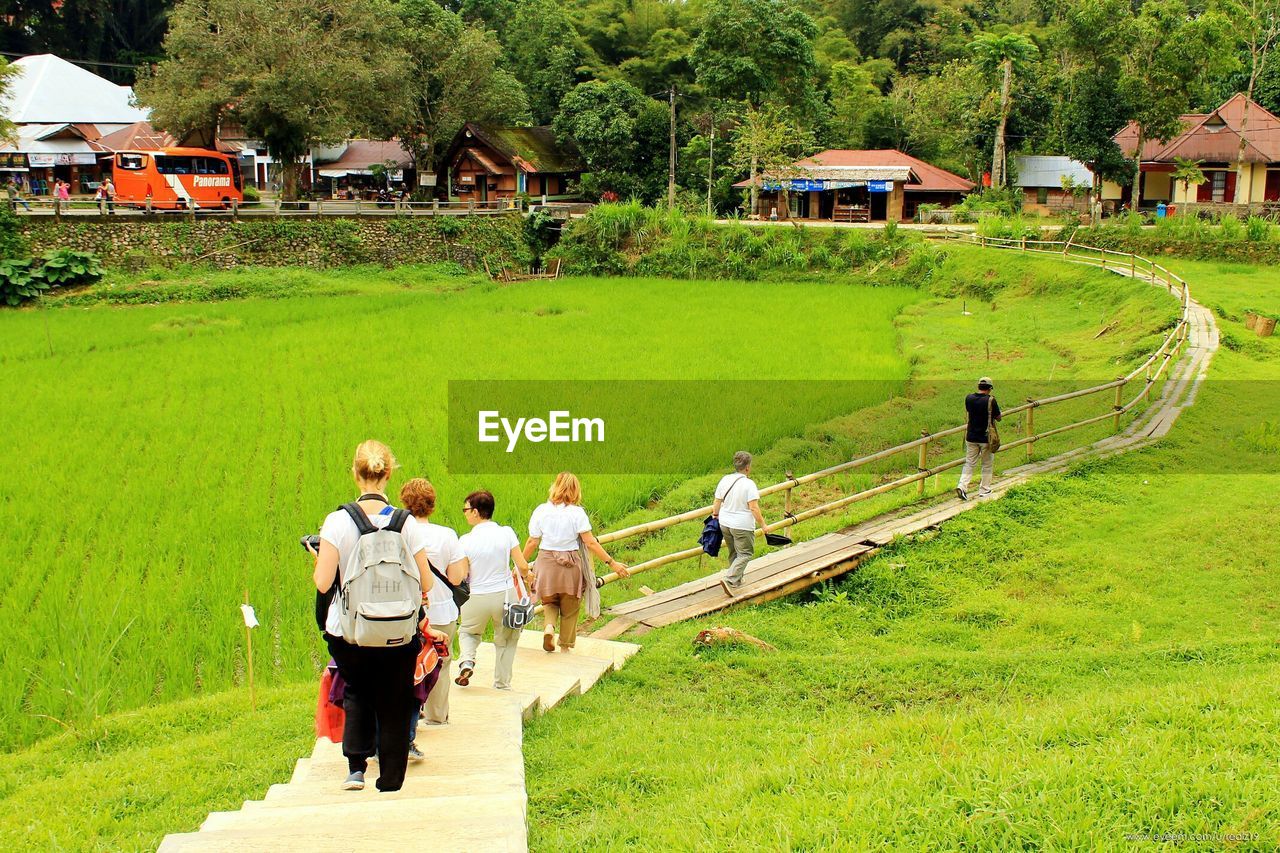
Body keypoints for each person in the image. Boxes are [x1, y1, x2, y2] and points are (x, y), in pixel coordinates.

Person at [309, 440, 435, 793]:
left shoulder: (336, 521)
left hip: (349, 632)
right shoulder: (405, 523)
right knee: (395, 698)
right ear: (388, 474)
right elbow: (425, 581)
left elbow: (323, 582)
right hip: (398, 630)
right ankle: (391, 780)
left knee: (357, 691)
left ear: (355, 474)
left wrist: (318, 556)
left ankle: (355, 768)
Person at [523, 472, 629, 653]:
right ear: (575, 491)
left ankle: (549, 627)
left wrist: (520, 564)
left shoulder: (541, 510)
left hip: (546, 563)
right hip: (570, 564)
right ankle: (565, 646)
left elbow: (533, 541)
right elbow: (590, 543)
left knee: (549, 600)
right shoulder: (577, 513)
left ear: (554, 487)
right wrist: (612, 563)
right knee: (570, 606)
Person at [399, 477, 468, 734]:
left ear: (404, 502)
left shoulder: (398, 534)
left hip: (407, 613)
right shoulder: (446, 535)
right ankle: (437, 717)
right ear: (432, 504)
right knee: (441, 662)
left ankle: (409, 716)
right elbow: (456, 577)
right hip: (442, 610)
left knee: (407, 664)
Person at [454, 490, 535, 690]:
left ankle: (467, 660)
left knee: (468, 632)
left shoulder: (464, 540)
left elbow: (462, 574)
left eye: (465, 509)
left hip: (475, 596)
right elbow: (522, 566)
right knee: (506, 639)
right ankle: (502, 683)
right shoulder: (506, 532)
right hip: (505, 595)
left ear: (475, 512)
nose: (464, 513)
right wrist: (528, 577)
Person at [712, 451, 768, 594]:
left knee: (734, 552)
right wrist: (763, 525)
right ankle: (730, 579)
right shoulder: (749, 484)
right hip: (742, 525)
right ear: (748, 467)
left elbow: (717, 501)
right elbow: (754, 508)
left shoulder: (725, 479)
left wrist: (715, 515)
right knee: (745, 553)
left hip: (725, 523)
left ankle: (737, 580)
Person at [956, 376, 1002, 501]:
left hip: (970, 436)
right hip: (986, 438)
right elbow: (998, 417)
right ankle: (984, 490)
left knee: (969, 463)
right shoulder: (991, 400)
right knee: (987, 464)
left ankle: (962, 486)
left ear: (978, 387)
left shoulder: (969, 398)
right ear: (990, 388)